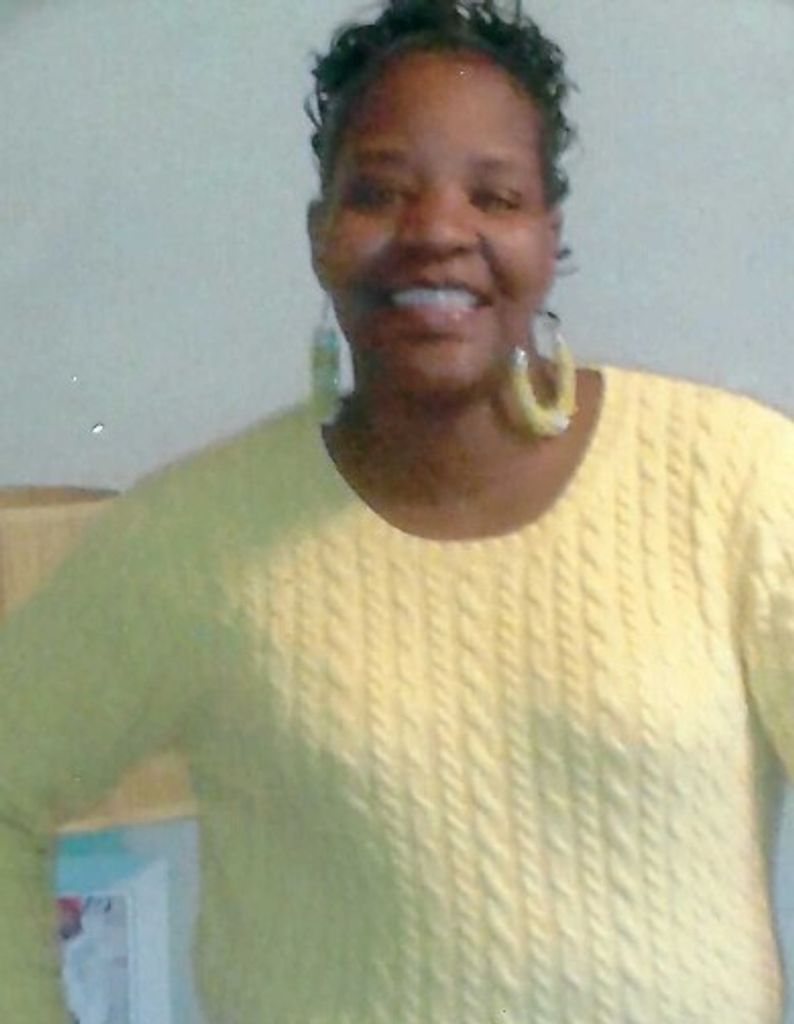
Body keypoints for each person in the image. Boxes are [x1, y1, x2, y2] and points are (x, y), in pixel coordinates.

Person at [0, 0, 792, 1021]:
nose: (437, 232)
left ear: (548, 236)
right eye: (378, 192)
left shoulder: (733, 484)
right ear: (320, 235)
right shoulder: (193, 540)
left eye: (493, 195)